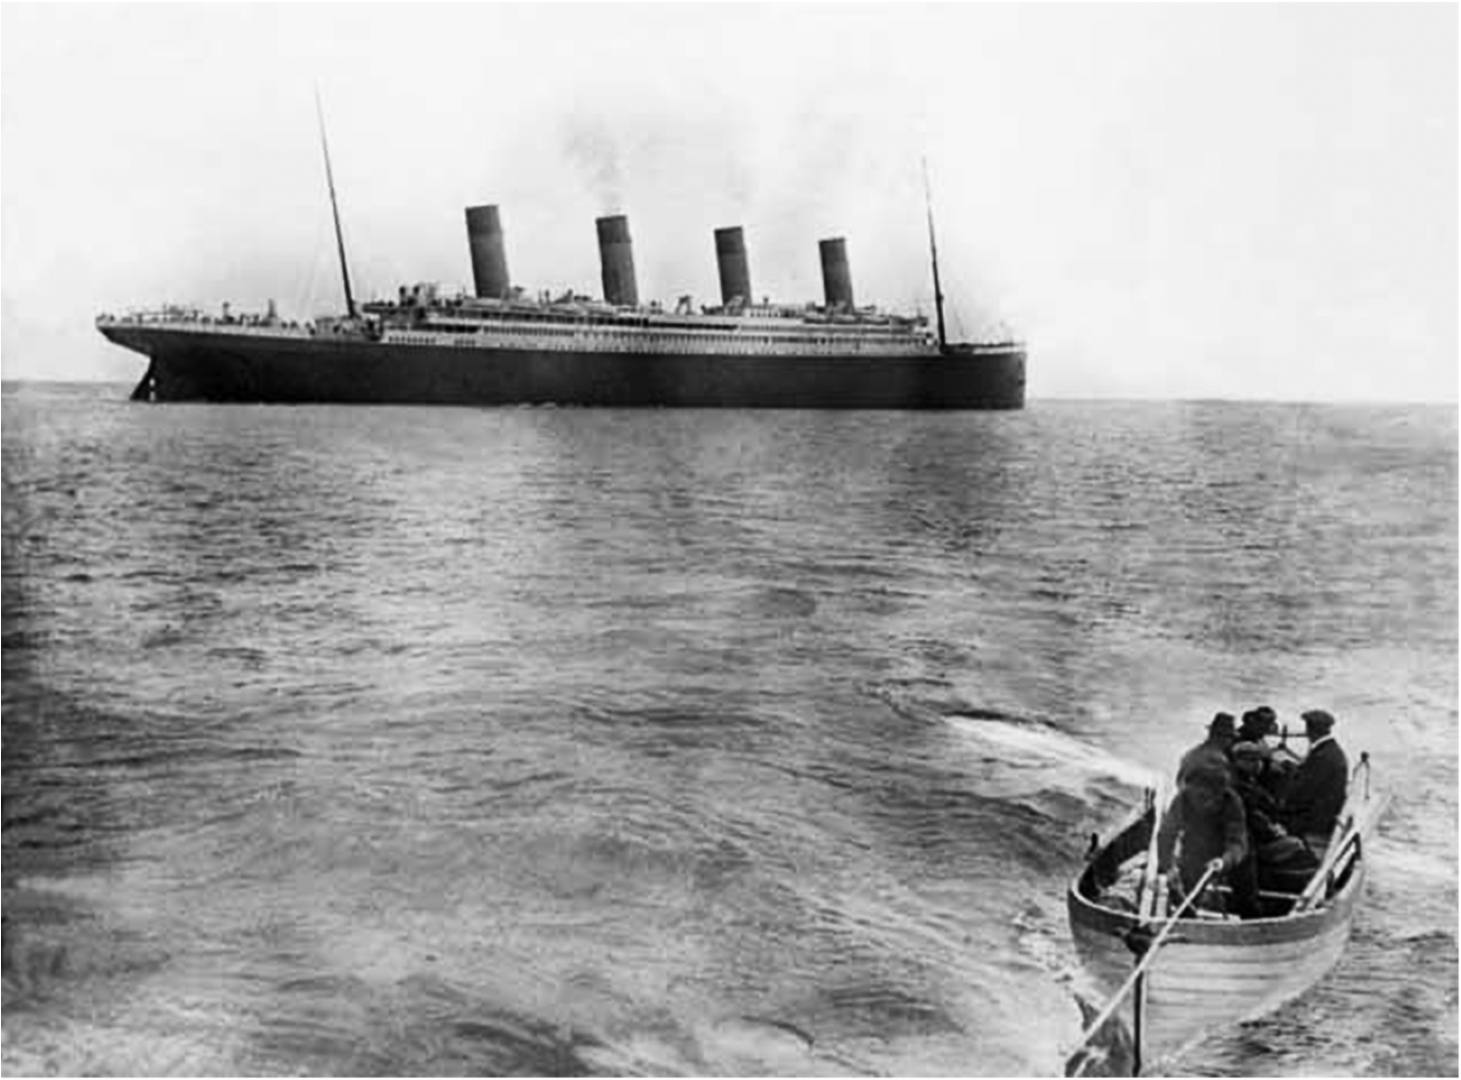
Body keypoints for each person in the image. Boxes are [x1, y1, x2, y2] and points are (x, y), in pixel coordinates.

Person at [1156, 761, 1249, 913]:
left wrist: (1224, 861)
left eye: (1207, 797)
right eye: (1197, 795)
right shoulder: (1183, 799)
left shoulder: (1232, 803)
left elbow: (1238, 843)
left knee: (1246, 896)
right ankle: (1187, 914)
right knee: (1183, 897)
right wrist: (1169, 867)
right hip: (1196, 849)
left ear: (1218, 793)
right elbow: (1166, 834)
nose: (1201, 801)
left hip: (1230, 854)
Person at [1280, 709, 1349, 853]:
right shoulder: (1331, 751)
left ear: (1310, 730)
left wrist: (1282, 805)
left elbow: (1304, 791)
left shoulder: (1322, 756)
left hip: (1315, 820)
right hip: (1325, 814)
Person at [1176, 712, 1237, 787]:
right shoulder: (1217, 758)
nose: (1231, 741)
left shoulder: (1192, 753)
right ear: (1218, 735)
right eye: (1230, 737)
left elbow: (1179, 781)